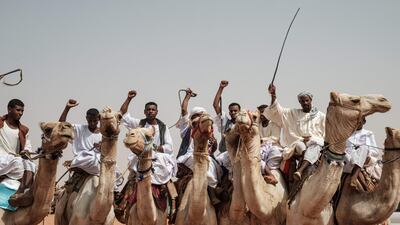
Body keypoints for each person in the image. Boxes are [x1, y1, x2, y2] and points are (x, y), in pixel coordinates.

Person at [265, 84, 325, 181]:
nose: (305, 103)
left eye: (306, 100)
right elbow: (277, 111)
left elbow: (326, 135)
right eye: (302, 101)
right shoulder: (293, 113)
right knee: (300, 145)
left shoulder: (321, 116)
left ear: (311, 100)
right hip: (299, 144)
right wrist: (273, 95)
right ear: (299, 102)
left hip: (315, 144)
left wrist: (313, 139)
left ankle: (300, 170)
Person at [119, 90, 177, 192]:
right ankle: (124, 200)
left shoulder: (163, 127)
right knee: (132, 178)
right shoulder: (139, 124)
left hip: (158, 157)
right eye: (148, 109)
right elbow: (123, 115)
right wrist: (129, 99)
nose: (150, 111)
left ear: (156, 112)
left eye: (153, 110)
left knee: (165, 177)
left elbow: (169, 147)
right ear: (145, 112)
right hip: (141, 156)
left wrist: (153, 147)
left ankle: (169, 197)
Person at [176, 88, 222, 193]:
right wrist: (187, 96)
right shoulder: (187, 128)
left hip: (206, 156)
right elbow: (183, 110)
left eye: (201, 115)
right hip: (189, 156)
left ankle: (213, 193)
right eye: (196, 115)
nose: (199, 117)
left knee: (218, 170)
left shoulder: (209, 130)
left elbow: (214, 147)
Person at [0, 99, 35, 207]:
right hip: (2, 159)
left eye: (22, 111)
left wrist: (25, 152)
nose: (20, 113)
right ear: (9, 109)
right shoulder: (1, 124)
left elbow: (27, 147)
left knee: (32, 164)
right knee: (17, 161)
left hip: (14, 164)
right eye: (18, 110)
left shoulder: (23, 130)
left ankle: (21, 193)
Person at [59, 99, 102, 176]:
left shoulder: (103, 133)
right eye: (90, 120)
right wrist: (67, 108)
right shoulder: (79, 129)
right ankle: (77, 164)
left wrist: (101, 147)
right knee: (90, 157)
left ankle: (75, 163)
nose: (92, 123)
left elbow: (108, 150)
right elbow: (61, 125)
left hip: (97, 162)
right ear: (86, 118)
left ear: (98, 119)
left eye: (95, 121)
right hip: (84, 158)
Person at [344, 117, 380, 191]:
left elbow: (376, 152)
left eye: (359, 122)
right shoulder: (346, 133)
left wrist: (364, 151)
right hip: (347, 161)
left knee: (364, 148)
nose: (357, 123)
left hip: (362, 161)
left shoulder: (368, 134)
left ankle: (354, 176)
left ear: (364, 122)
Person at [213, 80, 241, 153]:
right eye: (231, 111)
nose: (233, 112)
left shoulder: (243, 125)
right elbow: (215, 105)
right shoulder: (226, 123)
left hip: (238, 154)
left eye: (235, 111)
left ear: (239, 112)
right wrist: (221, 88)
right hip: (225, 154)